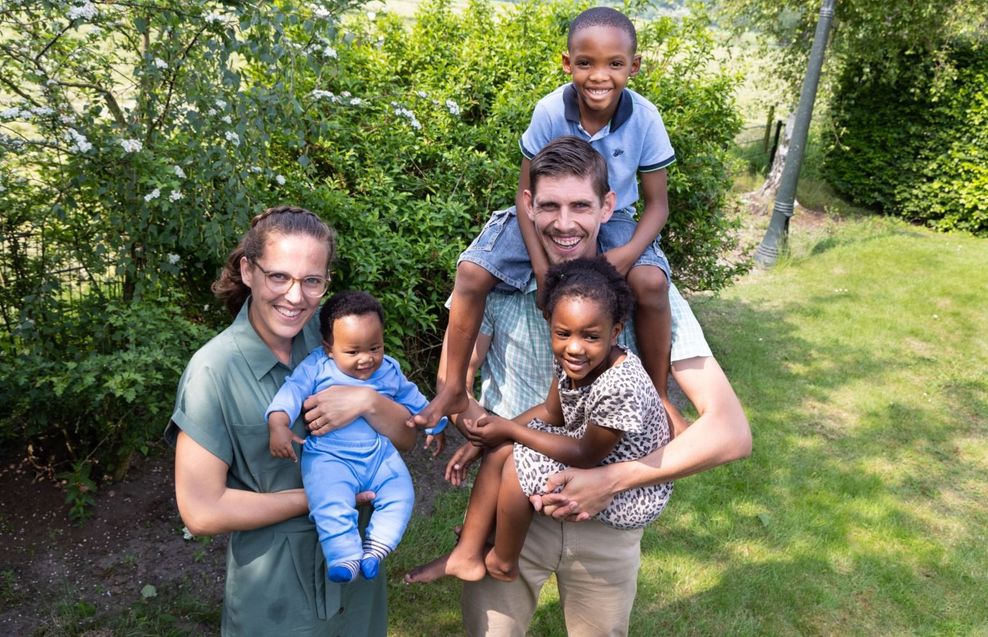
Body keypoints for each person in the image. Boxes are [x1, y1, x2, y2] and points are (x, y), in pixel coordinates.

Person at [428, 137, 752, 636]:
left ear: (607, 206)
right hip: (514, 510)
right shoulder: (498, 280)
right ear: (529, 206)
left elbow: (731, 434)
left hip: (609, 522)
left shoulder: (641, 294)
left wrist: (611, 480)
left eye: (580, 205)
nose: (564, 223)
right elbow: (457, 377)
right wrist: (484, 435)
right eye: (550, 206)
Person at [413, 6, 680, 431]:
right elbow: (525, 198)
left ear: (634, 66)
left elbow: (658, 205)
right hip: (542, 213)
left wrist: (627, 256)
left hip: (612, 217)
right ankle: (451, 386)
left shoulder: (646, 120)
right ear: (567, 62)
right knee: (470, 273)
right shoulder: (549, 111)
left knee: (650, 283)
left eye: (615, 64)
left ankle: (660, 394)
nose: (599, 76)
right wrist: (542, 268)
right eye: (586, 63)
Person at [166, 206, 416, 636]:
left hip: (357, 582)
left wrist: (367, 403)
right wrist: (323, 497)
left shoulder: (337, 340)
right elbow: (201, 511)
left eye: (312, 281)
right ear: (248, 270)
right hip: (277, 598)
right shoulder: (214, 371)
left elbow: (407, 439)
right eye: (278, 276)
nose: (295, 297)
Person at [404, 255, 673, 586]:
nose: (575, 347)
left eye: (590, 336)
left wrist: (510, 430)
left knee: (519, 458)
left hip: (628, 488)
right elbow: (550, 412)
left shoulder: (621, 385)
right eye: (563, 333)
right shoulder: (575, 360)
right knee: (504, 447)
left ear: (615, 332)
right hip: (594, 455)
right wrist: (493, 433)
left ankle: (503, 560)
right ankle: (469, 551)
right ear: (552, 326)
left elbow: (586, 454)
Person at [266, 290, 447, 583]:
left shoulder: (388, 369)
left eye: (375, 347)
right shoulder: (317, 366)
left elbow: (411, 397)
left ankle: (376, 548)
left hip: (379, 454)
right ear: (328, 347)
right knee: (330, 500)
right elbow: (291, 391)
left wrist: (433, 424)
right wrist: (278, 424)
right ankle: (344, 557)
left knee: (402, 494)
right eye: (352, 352)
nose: (366, 359)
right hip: (330, 457)